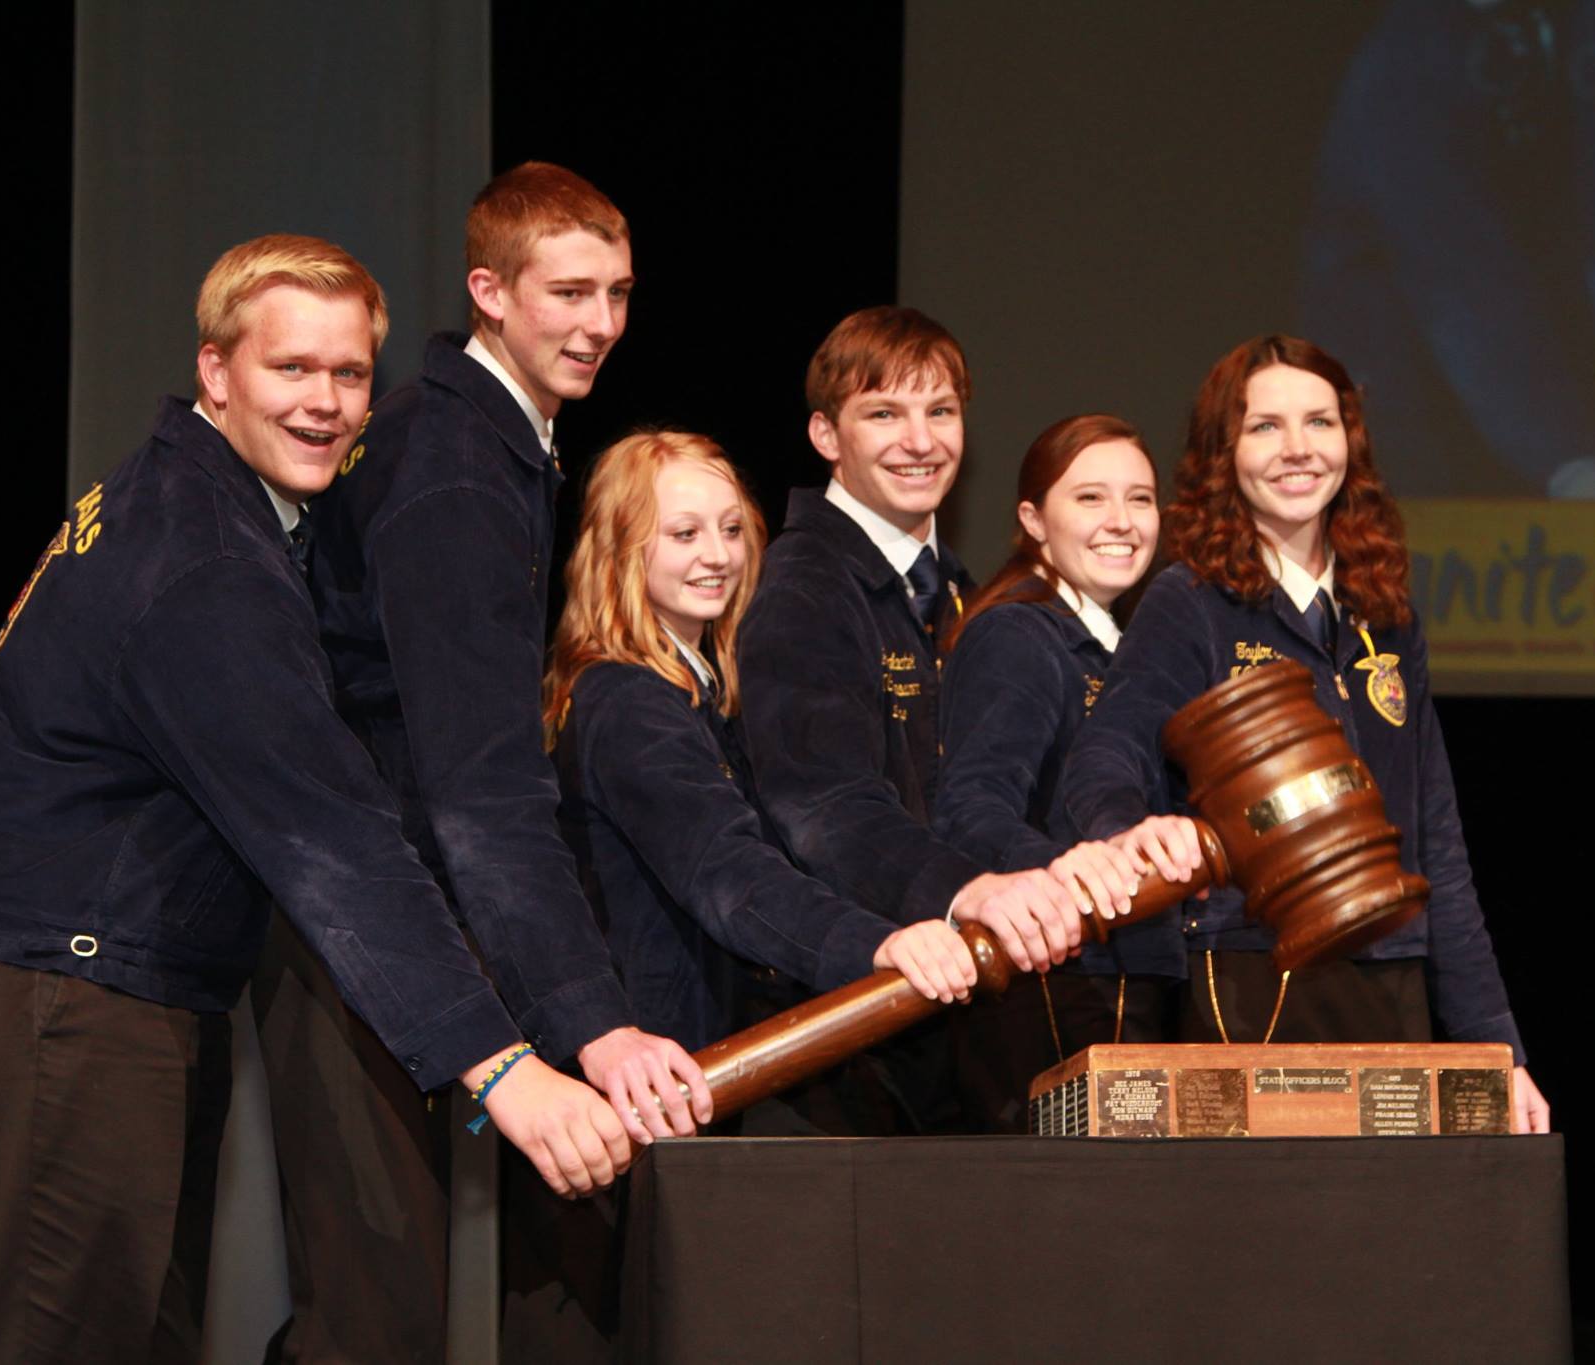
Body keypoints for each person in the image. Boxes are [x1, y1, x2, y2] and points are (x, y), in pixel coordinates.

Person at [0, 235, 633, 1365]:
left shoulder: (199, 499)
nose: (326, 403)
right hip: (58, 998)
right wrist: (507, 1071)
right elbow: (333, 846)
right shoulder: (205, 567)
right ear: (217, 373)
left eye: (349, 376)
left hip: (95, 989)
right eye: (291, 369)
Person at [289, 164, 708, 1363]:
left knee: (391, 1301)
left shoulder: (485, 442)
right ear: (489, 291)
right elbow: (477, 785)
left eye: (618, 293)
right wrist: (591, 1023)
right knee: (376, 1312)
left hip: (388, 910)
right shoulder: (456, 462)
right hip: (365, 916)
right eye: (568, 292)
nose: (600, 324)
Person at [1060, 334, 1552, 1134]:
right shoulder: (1191, 601)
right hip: (1254, 967)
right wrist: (1128, 831)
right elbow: (1103, 755)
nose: (1297, 449)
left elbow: (1437, 839)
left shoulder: (1384, 611)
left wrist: (1498, 1046)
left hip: (1392, 973)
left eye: (1319, 422)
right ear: (1225, 450)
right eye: (1265, 427)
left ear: (1350, 442)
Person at [736, 306, 1131, 1132]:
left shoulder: (960, 594)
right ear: (824, 434)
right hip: (849, 1051)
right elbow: (824, 810)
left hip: (953, 1032)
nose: (920, 440)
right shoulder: (804, 589)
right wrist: (970, 890)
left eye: (940, 411)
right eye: (884, 412)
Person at [546, 430, 981, 1065]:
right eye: (685, 534)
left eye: (730, 529)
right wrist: (876, 946)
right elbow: (729, 875)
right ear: (621, 549)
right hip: (658, 1084)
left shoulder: (697, 692)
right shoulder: (626, 701)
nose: (718, 555)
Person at [931, 414, 1192, 1131]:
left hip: (1124, 975)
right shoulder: (1018, 632)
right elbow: (970, 807)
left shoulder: (1131, 643)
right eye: (1090, 498)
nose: (1122, 521)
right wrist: (1065, 874)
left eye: (1140, 499)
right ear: (1032, 519)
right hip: (1058, 987)